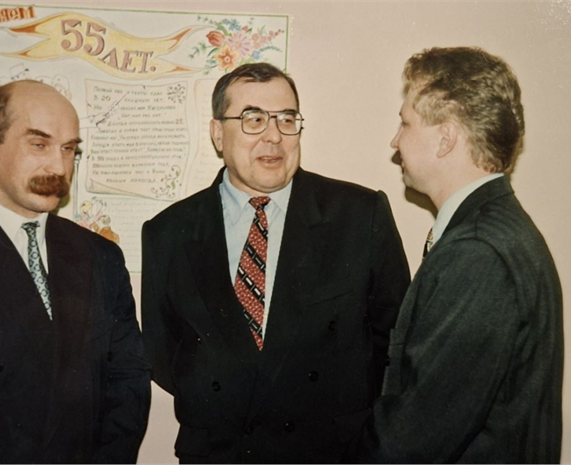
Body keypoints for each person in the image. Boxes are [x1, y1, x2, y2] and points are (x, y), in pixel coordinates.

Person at [141, 62, 410, 463]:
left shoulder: (359, 215)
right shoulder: (167, 232)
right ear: (218, 134)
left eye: (287, 119)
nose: (274, 136)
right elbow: (164, 356)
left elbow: (396, 344)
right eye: (253, 119)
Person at [355, 47, 564, 463]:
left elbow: (413, 437)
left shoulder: (477, 252)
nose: (395, 141)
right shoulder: (494, 229)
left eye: (405, 123)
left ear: (446, 138)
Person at [0, 80, 151, 464]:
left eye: (69, 149)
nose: (59, 167)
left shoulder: (100, 256)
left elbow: (128, 381)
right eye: (39, 144)